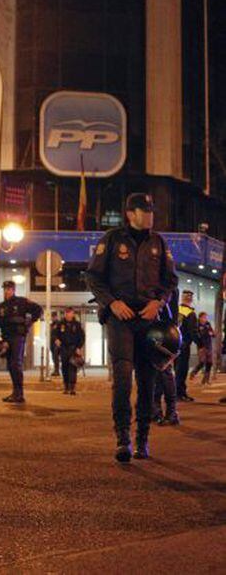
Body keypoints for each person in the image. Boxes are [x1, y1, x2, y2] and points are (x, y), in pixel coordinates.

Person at [86, 193, 178, 463]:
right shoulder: (113, 239)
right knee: (123, 378)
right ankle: (123, 438)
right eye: (143, 210)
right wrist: (112, 303)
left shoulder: (158, 242)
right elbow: (93, 276)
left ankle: (143, 440)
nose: (149, 214)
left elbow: (170, 279)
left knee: (148, 381)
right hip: (120, 318)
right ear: (130, 213)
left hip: (149, 320)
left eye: (151, 210)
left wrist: (158, 302)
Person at [0, 280, 43, 403]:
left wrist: (30, 322)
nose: (6, 291)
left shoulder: (21, 302)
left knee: (16, 364)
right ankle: (15, 392)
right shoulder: (1, 306)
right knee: (10, 365)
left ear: (13, 290)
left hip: (18, 337)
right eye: (5, 289)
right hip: (6, 338)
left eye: (9, 289)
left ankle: (19, 394)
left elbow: (38, 309)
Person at [152, 291, 180, 426]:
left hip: (165, 336)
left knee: (164, 376)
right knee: (158, 377)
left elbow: (173, 317)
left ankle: (169, 412)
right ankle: (158, 412)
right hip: (157, 335)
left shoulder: (170, 289)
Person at [52, 307, 85, 395]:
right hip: (64, 348)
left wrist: (79, 347)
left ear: (73, 314)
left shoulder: (77, 325)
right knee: (65, 368)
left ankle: (72, 388)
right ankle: (66, 387)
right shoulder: (60, 324)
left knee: (73, 368)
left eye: (70, 313)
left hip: (73, 349)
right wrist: (56, 339)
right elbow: (54, 334)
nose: (68, 314)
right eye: (66, 313)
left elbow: (82, 337)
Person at [175, 290, 198, 401]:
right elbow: (193, 331)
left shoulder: (176, 310)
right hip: (183, 345)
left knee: (175, 369)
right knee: (182, 369)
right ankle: (180, 393)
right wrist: (200, 344)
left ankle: (175, 393)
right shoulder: (190, 313)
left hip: (173, 344)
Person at [189, 312, 215, 385]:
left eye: (206, 317)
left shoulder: (208, 324)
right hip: (201, 346)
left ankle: (206, 380)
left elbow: (212, 333)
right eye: (204, 317)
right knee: (202, 362)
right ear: (200, 317)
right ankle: (193, 372)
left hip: (209, 345)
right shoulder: (197, 324)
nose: (205, 319)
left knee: (209, 363)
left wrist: (212, 333)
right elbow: (197, 334)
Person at [50, 312, 61, 376]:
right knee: (54, 357)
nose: (53, 318)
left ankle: (57, 370)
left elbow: (60, 333)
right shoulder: (51, 324)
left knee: (56, 356)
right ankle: (56, 370)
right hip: (52, 343)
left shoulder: (59, 324)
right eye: (52, 317)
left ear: (56, 317)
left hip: (57, 343)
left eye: (54, 317)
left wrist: (58, 340)